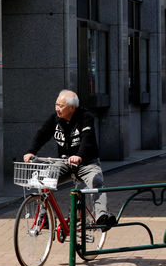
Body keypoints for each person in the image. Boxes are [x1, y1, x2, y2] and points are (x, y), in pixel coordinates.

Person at [24, 89, 116, 226]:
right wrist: (31, 151)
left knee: (96, 181)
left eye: (61, 106)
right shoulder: (55, 119)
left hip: (87, 163)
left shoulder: (85, 117)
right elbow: (42, 134)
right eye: (56, 104)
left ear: (72, 108)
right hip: (64, 162)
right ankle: (44, 217)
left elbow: (88, 139)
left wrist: (79, 156)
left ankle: (102, 215)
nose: (57, 109)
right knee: (42, 179)